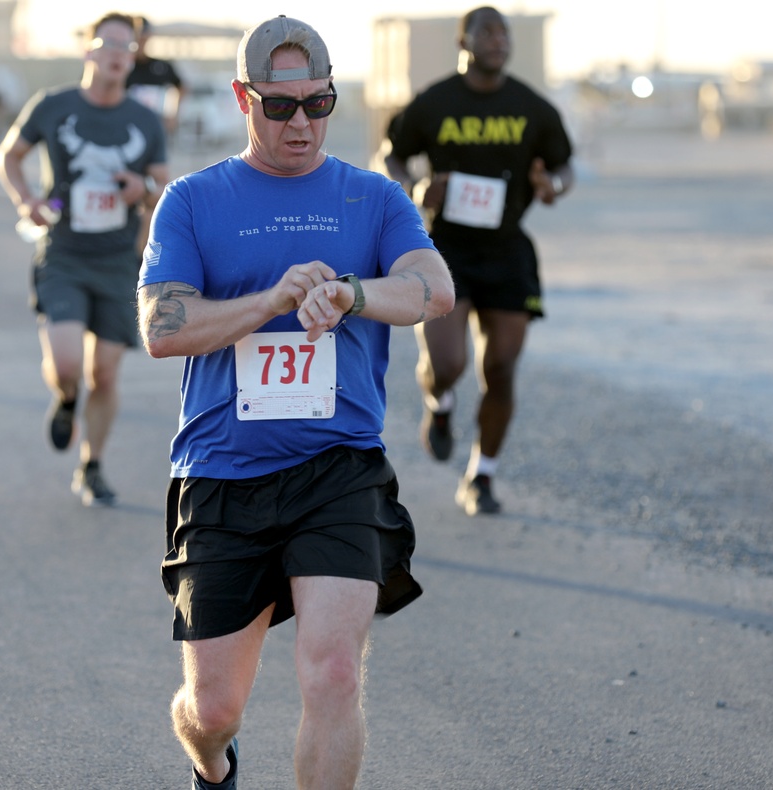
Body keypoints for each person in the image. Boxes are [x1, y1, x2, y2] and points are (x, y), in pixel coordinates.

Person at [135, 15, 454, 789]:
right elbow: (161, 326)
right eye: (281, 106)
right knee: (213, 709)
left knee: (335, 675)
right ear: (245, 98)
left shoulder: (370, 198)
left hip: (336, 470)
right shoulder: (192, 200)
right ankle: (214, 765)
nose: (303, 123)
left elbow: (433, 289)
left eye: (320, 103)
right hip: (221, 473)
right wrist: (272, 299)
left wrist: (352, 294)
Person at [384, 5, 574, 516]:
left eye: (504, 32)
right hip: (445, 248)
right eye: (486, 32)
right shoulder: (435, 102)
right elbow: (392, 154)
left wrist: (550, 186)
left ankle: (481, 476)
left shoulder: (532, 108)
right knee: (447, 363)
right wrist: (416, 187)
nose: (498, 40)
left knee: (502, 369)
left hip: (508, 250)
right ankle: (439, 403)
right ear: (463, 41)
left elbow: (563, 168)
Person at [0, 11, 168, 507]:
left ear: (132, 58)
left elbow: (163, 186)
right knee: (68, 362)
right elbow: (7, 156)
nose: (117, 53)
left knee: (106, 375)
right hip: (64, 255)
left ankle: (91, 465)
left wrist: (144, 189)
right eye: (108, 43)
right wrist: (26, 200)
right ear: (89, 50)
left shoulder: (144, 120)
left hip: (119, 262)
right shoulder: (54, 106)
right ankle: (66, 399)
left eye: (127, 47)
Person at [126, 16, 187, 138]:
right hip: (127, 127)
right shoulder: (122, 66)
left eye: (143, 38)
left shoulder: (161, 67)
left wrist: (173, 115)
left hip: (155, 128)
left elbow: (181, 87)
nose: (140, 42)